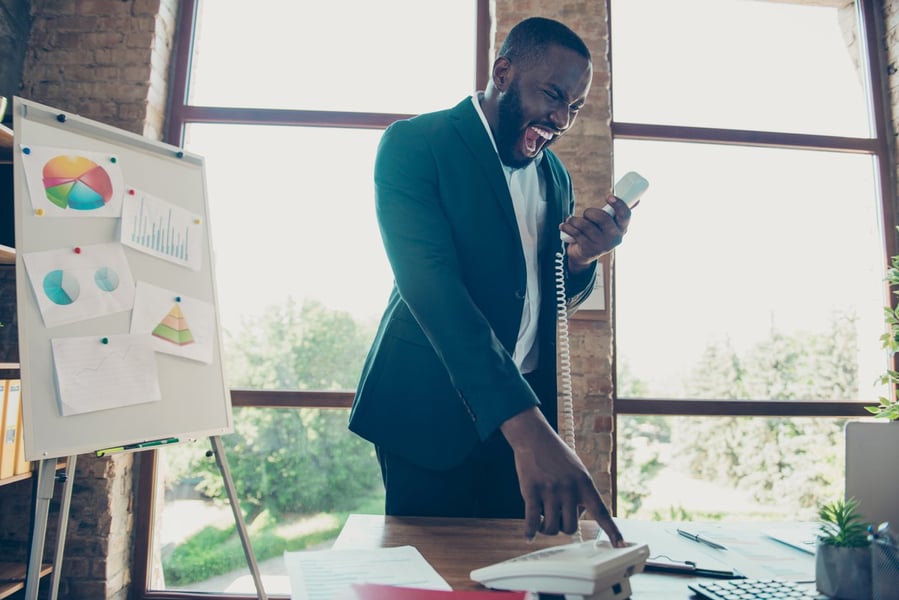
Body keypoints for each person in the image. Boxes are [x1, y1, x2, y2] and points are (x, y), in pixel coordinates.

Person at [349, 16, 630, 546]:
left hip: (519, 416)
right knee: (433, 575)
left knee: (515, 570)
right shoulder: (415, 144)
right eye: (552, 95)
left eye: (574, 107)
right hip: (430, 412)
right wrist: (528, 427)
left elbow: (546, 299)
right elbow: (433, 291)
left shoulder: (556, 175)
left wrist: (581, 261)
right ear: (503, 72)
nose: (562, 118)